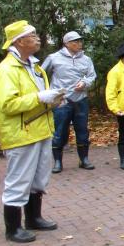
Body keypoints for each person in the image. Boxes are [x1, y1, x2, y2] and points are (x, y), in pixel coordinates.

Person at [0, 20, 64, 243]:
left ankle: (33, 218)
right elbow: (8, 105)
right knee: (19, 180)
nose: (37, 37)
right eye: (32, 35)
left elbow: (37, 98)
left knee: (39, 177)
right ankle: (12, 228)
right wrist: (40, 97)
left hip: (40, 129)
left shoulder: (35, 66)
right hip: (20, 133)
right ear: (19, 41)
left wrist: (53, 100)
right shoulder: (7, 70)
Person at [41, 31, 97, 173]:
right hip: (62, 101)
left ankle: (84, 159)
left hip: (80, 100)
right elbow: (41, 75)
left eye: (80, 41)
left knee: (82, 130)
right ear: (66, 43)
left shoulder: (86, 59)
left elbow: (92, 75)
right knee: (59, 131)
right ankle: (58, 162)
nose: (79, 44)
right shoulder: (53, 58)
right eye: (75, 42)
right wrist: (48, 94)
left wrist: (85, 83)